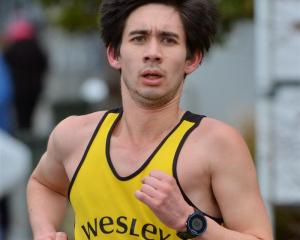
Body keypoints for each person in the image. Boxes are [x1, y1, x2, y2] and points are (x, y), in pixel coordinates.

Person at [27, 0, 273, 239]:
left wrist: (190, 222)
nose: (153, 53)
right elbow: (44, 184)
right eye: (139, 38)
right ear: (114, 54)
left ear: (192, 59)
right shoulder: (74, 136)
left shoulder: (217, 145)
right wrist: (44, 231)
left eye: (168, 40)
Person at [4, 19, 48, 131]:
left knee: (20, 115)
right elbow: (44, 65)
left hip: (17, 88)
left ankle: (23, 133)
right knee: (30, 114)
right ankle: (28, 132)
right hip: (34, 88)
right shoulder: (36, 48)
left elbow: (6, 68)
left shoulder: (11, 50)